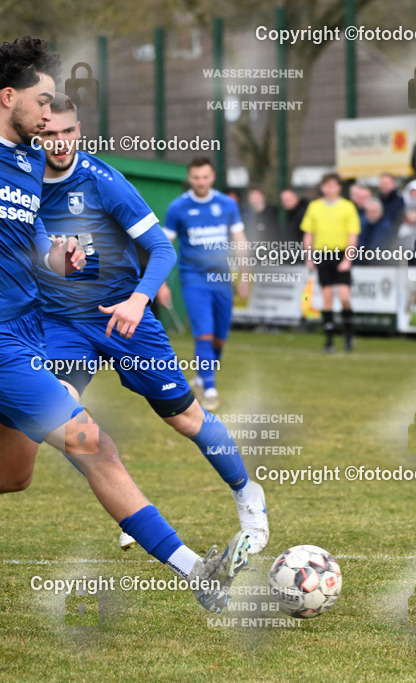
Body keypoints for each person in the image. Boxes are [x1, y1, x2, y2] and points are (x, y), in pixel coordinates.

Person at [0, 36, 248, 612]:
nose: (48, 112)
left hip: (29, 331)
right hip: (6, 345)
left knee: (14, 476)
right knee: (95, 446)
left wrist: (58, 253)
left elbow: (24, 232)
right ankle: (196, 572)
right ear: (8, 97)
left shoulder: (29, 161)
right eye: (41, 101)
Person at [35, 94, 269, 553]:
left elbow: (163, 250)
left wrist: (138, 301)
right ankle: (129, 503)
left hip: (125, 318)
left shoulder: (105, 182)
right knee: (60, 416)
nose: (58, 143)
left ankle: (247, 494)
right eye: (48, 134)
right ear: (35, 132)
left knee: (185, 418)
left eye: (67, 132)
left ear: (78, 131)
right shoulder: (21, 178)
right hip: (62, 321)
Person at [164, 157, 248, 410]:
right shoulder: (177, 208)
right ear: (190, 179)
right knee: (204, 333)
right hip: (193, 279)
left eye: (205, 176)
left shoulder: (226, 205)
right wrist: (160, 283)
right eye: (196, 177)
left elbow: (240, 241)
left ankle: (201, 377)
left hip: (222, 280)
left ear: (212, 178)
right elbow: (165, 247)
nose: (201, 182)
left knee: (219, 339)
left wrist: (244, 275)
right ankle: (210, 389)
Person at [301, 172, 360, 352]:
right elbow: (308, 234)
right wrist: (309, 256)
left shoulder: (348, 207)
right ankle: (329, 341)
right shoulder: (314, 206)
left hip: (341, 254)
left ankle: (348, 337)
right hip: (323, 254)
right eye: (326, 185)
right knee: (326, 298)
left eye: (333, 185)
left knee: (344, 297)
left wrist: (348, 259)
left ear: (339, 187)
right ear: (322, 187)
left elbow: (353, 235)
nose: (329, 189)